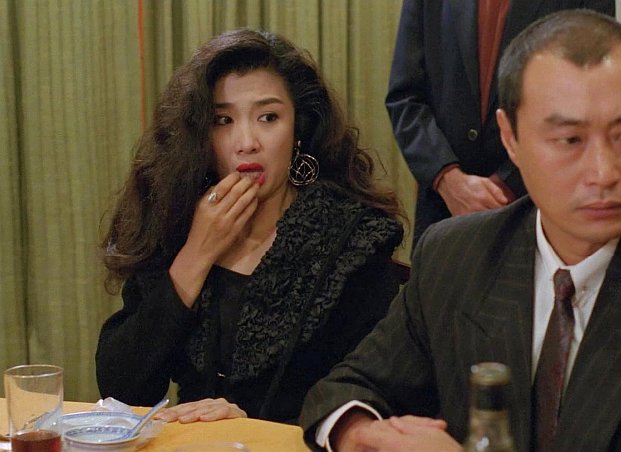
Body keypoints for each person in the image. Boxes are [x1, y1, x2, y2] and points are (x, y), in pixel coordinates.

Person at [300, 10, 621, 451]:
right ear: (511, 138)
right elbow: (346, 389)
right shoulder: (457, 254)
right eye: (569, 140)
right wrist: (362, 434)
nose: (604, 171)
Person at [95, 29, 404, 424]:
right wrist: (197, 253)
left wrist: (250, 424)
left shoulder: (352, 239)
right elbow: (121, 389)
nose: (245, 142)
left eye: (268, 117)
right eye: (223, 120)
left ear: (298, 130)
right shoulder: (176, 222)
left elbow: (369, 399)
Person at [386, 0, 615, 246]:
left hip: (538, 213)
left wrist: (505, 186)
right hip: (443, 212)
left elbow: (587, 96)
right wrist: (448, 179)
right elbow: (405, 98)